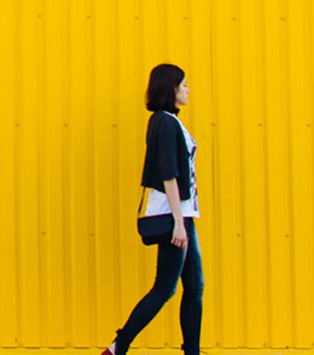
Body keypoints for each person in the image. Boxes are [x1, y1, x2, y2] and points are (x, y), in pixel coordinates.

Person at [102, 64, 204, 355]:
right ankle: (118, 345)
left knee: (195, 286)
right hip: (174, 215)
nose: (188, 89)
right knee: (165, 288)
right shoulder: (164, 122)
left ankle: (191, 351)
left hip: (183, 213)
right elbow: (168, 173)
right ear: (171, 88)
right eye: (184, 84)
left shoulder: (171, 121)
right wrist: (178, 222)